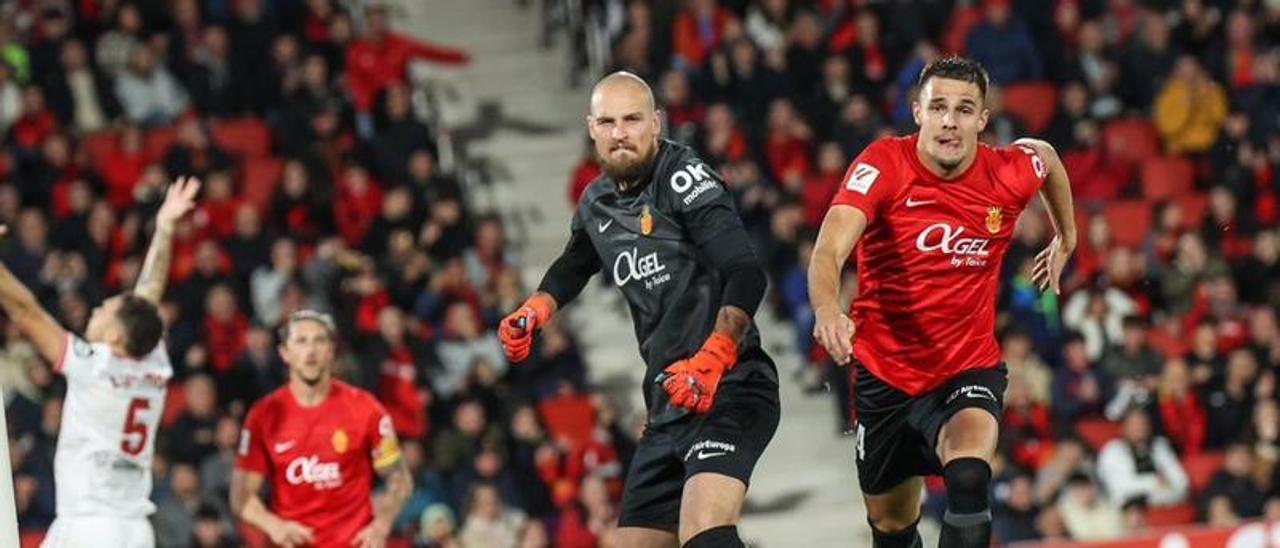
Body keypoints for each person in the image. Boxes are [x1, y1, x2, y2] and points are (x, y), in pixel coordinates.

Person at [498, 71, 778, 547]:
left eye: (632, 119)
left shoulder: (684, 177)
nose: (620, 132)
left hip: (729, 387)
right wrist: (535, 310)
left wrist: (716, 354)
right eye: (607, 121)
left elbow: (746, 273)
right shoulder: (596, 202)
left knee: (705, 532)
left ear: (657, 123)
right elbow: (575, 262)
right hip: (667, 405)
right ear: (591, 128)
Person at [807, 56, 1077, 548]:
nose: (950, 120)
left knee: (971, 476)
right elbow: (828, 250)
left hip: (965, 367)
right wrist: (828, 309)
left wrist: (1067, 236)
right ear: (918, 112)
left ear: (982, 120)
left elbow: (1047, 157)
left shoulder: (1007, 174)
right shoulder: (882, 166)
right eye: (939, 107)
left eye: (964, 109)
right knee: (892, 526)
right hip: (885, 375)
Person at [0, 178, 199, 548]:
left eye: (108, 308)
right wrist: (165, 229)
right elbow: (149, 296)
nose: (98, 307)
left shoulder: (94, 366)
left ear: (116, 336)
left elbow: (27, 313)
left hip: (90, 527)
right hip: (133, 528)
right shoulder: (153, 362)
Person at [229, 310, 414, 547]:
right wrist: (274, 526)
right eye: (301, 341)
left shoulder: (365, 409)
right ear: (285, 353)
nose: (311, 351)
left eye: (319, 340)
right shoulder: (264, 416)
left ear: (331, 351)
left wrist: (382, 524)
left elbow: (400, 479)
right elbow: (240, 498)